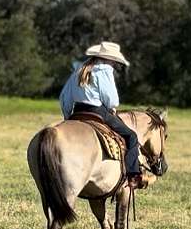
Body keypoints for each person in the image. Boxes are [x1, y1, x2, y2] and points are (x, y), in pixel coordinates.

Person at [59, 41, 143, 189]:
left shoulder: (79, 68)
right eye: (114, 61)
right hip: (97, 111)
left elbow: (64, 97)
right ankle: (132, 175)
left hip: (77, 111)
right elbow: (111, 100)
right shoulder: (104, 69)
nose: (114, 64)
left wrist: (67, 117)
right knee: (131, 136)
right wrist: (112, 107)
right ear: (109, 59)